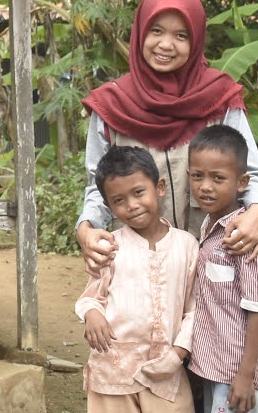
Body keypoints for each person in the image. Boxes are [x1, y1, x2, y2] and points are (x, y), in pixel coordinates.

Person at [77, 0, 258, 273]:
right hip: (137, 268)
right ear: (141, 33)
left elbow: (249, 174)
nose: (166, 45)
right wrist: (87, 229)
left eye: (181, 35)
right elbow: (99, 187)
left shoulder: (219, 97)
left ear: (196, 41)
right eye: (156, 31)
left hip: (216, 264)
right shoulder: (111, 105)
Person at [75, 145, 199, 413]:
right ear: (108, 206)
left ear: (160, 187)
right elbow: (90, 298)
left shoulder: (187, 246)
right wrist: (92, 314)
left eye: (139, 192)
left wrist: (179, 352)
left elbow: (195, 307)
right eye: (118, 200)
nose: (131, 205)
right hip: (113, 370)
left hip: (166, 369)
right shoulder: (109, 246)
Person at [187, 124, 258, 413]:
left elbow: (257, 309)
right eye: (197, 176)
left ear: (242, 182)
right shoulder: (210, 225)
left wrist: (245, 375)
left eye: (218, 178)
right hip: (216, 365)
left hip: (235, 372)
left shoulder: (243, 238)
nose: (205, 186)